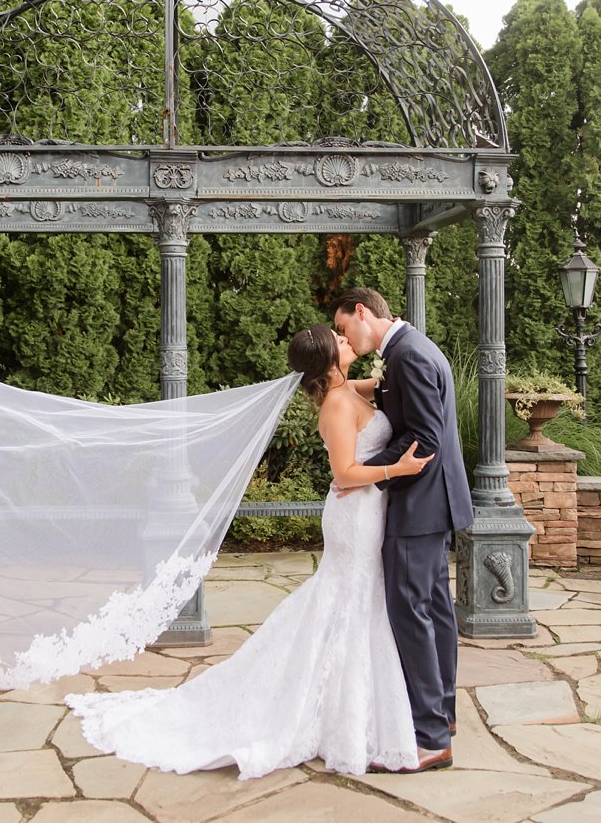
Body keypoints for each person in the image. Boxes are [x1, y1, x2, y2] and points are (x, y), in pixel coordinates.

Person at [64, 322, 434, 779]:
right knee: (349, 602)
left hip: (368, 512)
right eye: (338, 339)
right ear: (328, 360)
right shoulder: (337, 403)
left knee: (356, 604)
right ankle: (330, 717)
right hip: (354, 515)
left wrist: (397, 367)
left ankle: (349, 711)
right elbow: (343, 474)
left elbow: (380, 388)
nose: (345, 339)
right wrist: (395, 469)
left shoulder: (347, 389)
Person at [331, 286, 472, 773]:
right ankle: (443, 716)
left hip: (418, 509)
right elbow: (408, 411)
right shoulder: (413, 347)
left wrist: (367, 469)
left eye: (344, 325)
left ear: (363, 313)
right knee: (435, 612)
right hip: (436, 507)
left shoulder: (407, 356)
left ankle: (430, 737)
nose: (343, 334)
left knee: (411, 615)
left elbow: (425, 438)